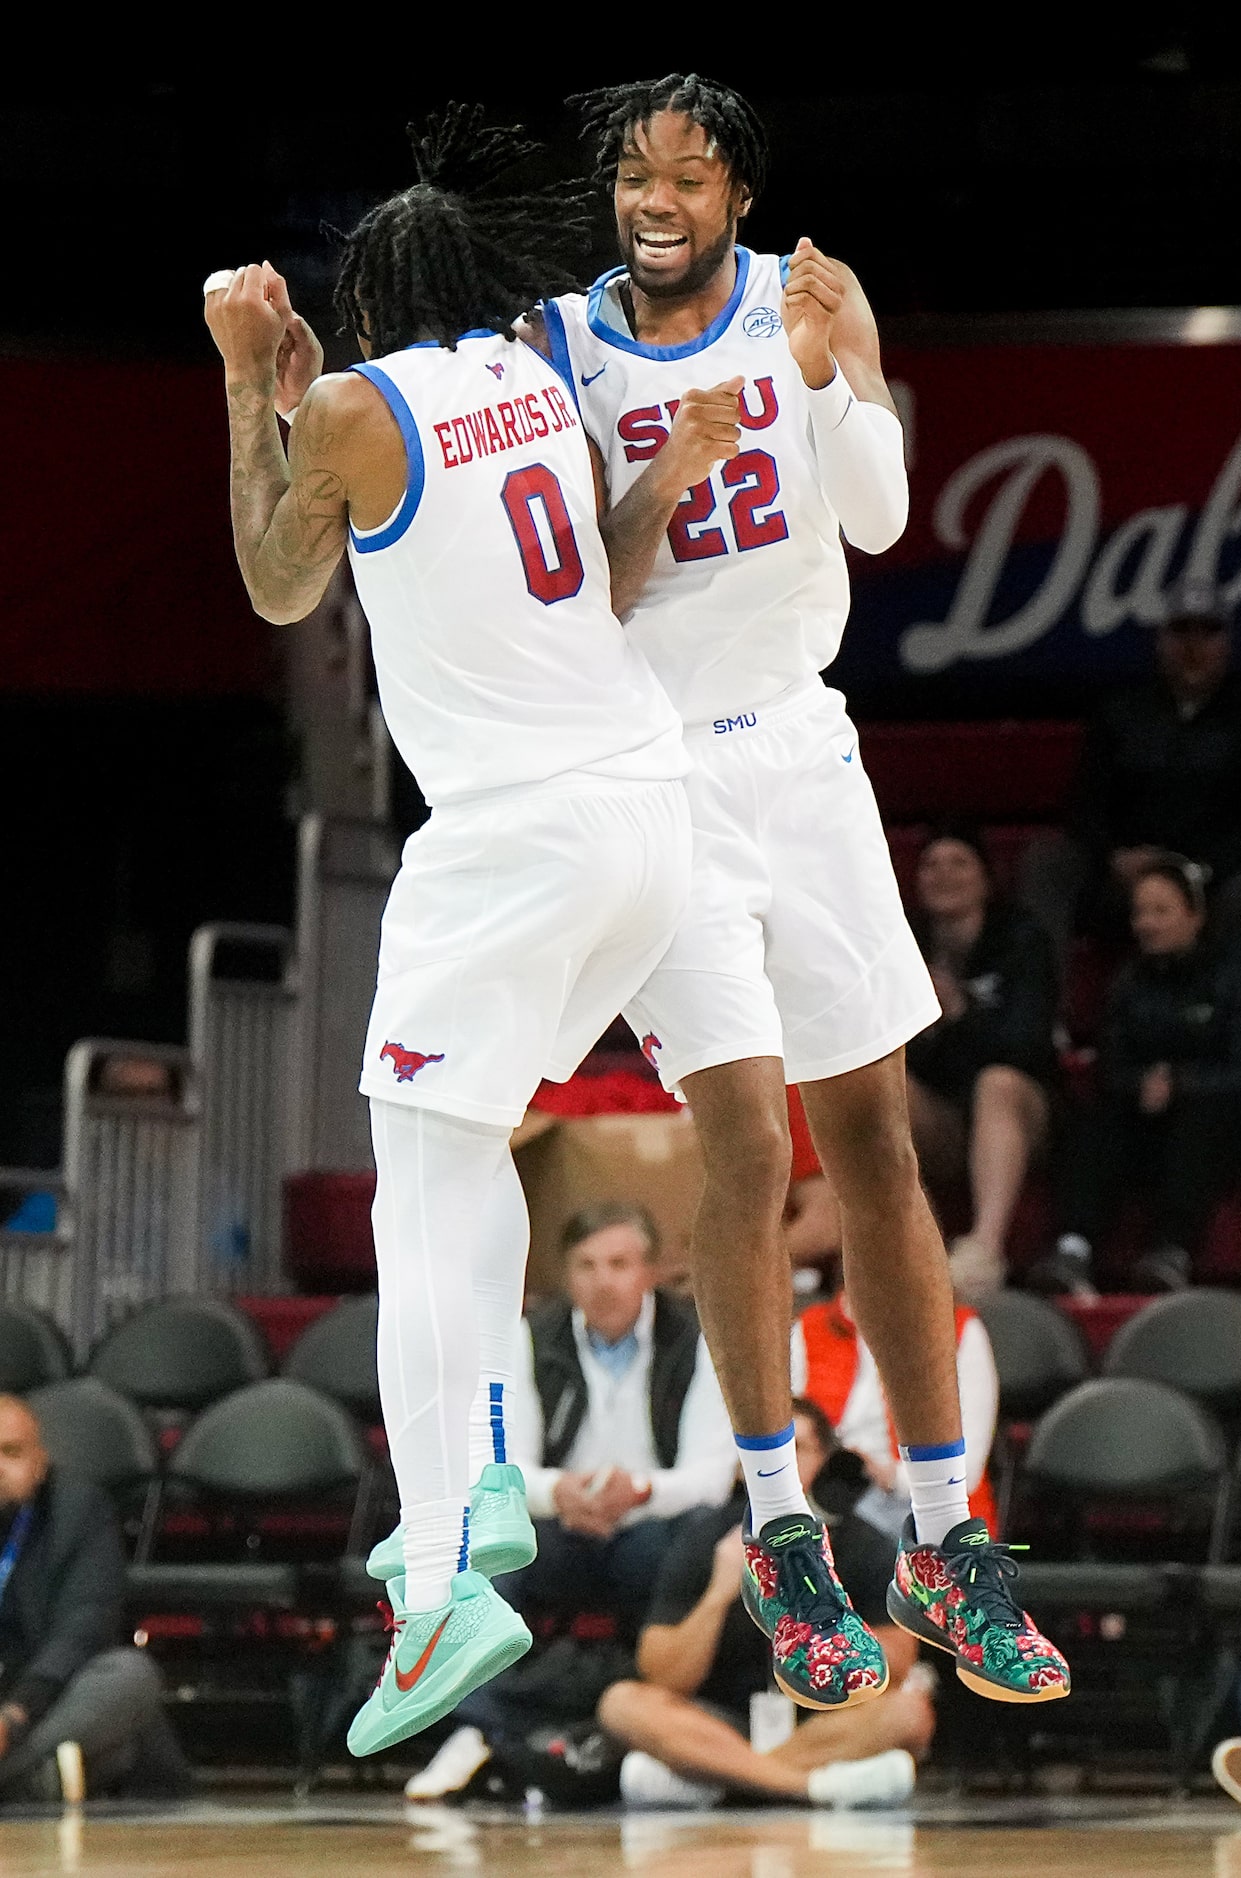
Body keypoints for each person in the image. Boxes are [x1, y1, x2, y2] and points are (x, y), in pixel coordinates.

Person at [533, 72, 1069, 1707]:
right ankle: (776, 1531)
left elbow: (886, 514)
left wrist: (858, 379)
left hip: (807, 751)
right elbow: (580, 597)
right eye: (633, 172)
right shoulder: (559, 348)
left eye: (687, 174)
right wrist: (667, 470)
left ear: (734, 196)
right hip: (658, 768)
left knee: (879, 1148)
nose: (657, 197)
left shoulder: (801, 299)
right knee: (746, 1137)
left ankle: (943, 1529)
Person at [203, 105, 715, 1757]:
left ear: (358, 300)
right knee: (461, 1144)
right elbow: (599, 582)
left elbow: (279, 585)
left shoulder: (358, 403)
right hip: (643, 815)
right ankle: (468, 1500)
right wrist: (303, 415)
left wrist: (241, 382)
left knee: (423, 1178)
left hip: (510, 841)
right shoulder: (530, 382)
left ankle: (445, 1566)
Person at [596, 1399, 930, 1808]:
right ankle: (805, 1787)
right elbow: (662, 1675)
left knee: (909, 1713)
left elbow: (890, 1671)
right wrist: (720, 1591)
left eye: (797, 1451)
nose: (782, 1468)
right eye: (766, 1455)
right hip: (717, 1723)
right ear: (743, 1467)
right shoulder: (707, 1539)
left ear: (825, 1461)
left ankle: (720, 1781)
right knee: (622, 1703)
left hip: (824, 1726)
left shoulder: (866, 1546)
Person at [502, 1202, 735, 1629]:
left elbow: (711, 1479)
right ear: (566, 1276)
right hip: (561, 1520)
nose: (603, 1282)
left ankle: (657, 1679)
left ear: (650, 1272)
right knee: (493, 1540)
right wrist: (557, 1491)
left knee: (700, 1536)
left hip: (656, 1520)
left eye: (619, 1264)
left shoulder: (698, 1342)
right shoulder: (530, 1338)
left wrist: (640, 1491)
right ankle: (493, 1692)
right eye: (586, 1266)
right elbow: (505, 1466)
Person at [1030, 857, 1241, 1296]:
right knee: (1094, 1121)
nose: (1147, 923)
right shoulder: (1128, 980)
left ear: (1195, 915)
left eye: (1161, 911)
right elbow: (1111, 1065)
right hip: (1143, 1116)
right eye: (1140, 913)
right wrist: (1143, 1085)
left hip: (1218, 1121)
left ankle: (1171, 1250)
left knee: (1200, 1121)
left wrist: (1182, 1083)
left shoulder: (1235, 976)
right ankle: (1073, 1246)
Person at [1022, 583, 1241, 963]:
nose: (1193, 646)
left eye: (1207, 631)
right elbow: (1086, 804)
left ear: (1227, 641)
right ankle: (1038, 1013)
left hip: (1210, 884)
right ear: (1160, 639)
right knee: (1049, 860)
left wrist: (1190, 869)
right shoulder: (1122, 712)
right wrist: (1115, 857)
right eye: (1181, 631)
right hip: (1125, 880)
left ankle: (1239, 1016)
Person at [0, 1396, 188, 1804]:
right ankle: (30, 1783)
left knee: (129, 1676)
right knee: (120, 1748)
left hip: (42, 1702)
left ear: (40, 1462)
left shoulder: (78, 1510)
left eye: (10, 1452)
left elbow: (83, 1629)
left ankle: (14, 1780)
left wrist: (13, 1716)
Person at [905, 829, 1058, 1302]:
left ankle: (984, 1248)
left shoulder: (1023, 941)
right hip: (945, 1117)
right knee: (878, 1085)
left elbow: (1026, 1046)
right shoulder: (902, 944)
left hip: (1021, 1113)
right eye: (931, 864)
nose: (944, 874)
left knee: (998, 1083)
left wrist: (960, 1014)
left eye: (959, 862)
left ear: (987, 880)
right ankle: (912, 1245)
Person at [792, 1287, 1000, 1538]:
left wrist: (890, 1476)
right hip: (827, 1498)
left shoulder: (958, 1330)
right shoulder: (809, 1327)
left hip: (919, 1505)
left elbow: (967, 1471)